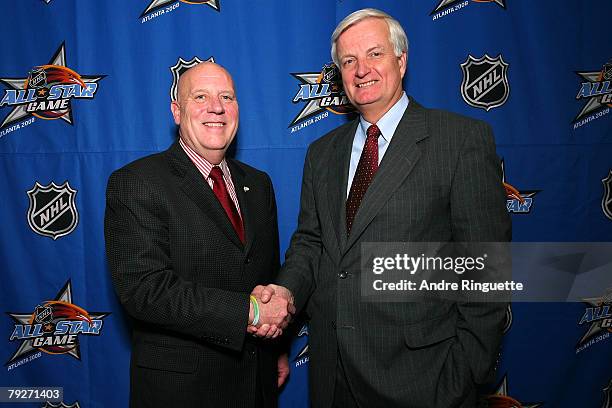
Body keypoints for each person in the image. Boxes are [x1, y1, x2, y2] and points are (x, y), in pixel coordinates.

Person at [254, 8, 512, 408]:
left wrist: (463, 375)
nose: (361, 70)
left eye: (374, 54)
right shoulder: (322, 154)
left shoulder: (459, 140)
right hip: (332, 375)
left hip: (423, 379)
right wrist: (285, 292)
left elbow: (486, 266)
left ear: (401, 60)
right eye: (349, 61)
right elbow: (310, 243)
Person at [104, 62, 293, 408]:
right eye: (200, 97)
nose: (216, 107)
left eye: (226, 97)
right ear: (176, 111)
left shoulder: (259, 184)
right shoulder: (137, 182)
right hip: (183, 392)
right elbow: (145, 291)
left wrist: (276, 347)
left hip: (256, 383)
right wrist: (250, 313)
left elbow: (266, 274)